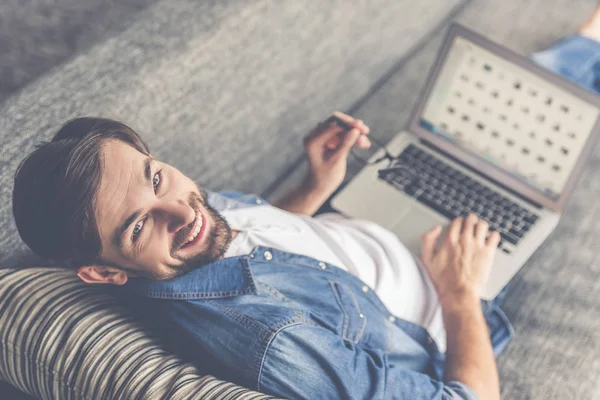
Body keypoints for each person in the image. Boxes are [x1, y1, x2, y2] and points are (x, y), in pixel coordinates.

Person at [12, 11, 600, 399]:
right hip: (454, 308)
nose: (181, 212)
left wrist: (315, 187)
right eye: (140, 225)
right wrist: (460, 294)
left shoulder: (193, 225)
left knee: (490, 119)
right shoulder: (270, 342)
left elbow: (252, 242)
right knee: (525, 141)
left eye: (155, 176)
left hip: (385, 238)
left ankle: (581, 46)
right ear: (104, 272)